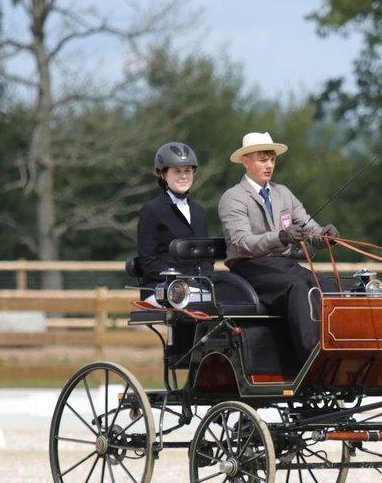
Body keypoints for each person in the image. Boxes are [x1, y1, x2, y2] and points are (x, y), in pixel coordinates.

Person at [218, 131, 339, 360]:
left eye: (272, 160)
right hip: (251, 267)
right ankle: (312, 354)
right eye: (263, 160)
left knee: (328, 286)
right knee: (297, 287)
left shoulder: (283, 193)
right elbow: (242, 242)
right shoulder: (233, 198)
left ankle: (337, 345)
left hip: (283, 265)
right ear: (246, 162)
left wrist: (324, 237)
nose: (269, 165)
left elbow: (307, 226)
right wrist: (280, 238)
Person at [136, 141, 208, 290]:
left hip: (198, 286)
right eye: (177, 171)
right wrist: (181, 280)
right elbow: (148, 261)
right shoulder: (151, 210)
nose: (184, 176)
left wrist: (204, 281)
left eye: (187, 171)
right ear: (163, 174)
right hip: (162, 287)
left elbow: (206, 256)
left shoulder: (199, 211)